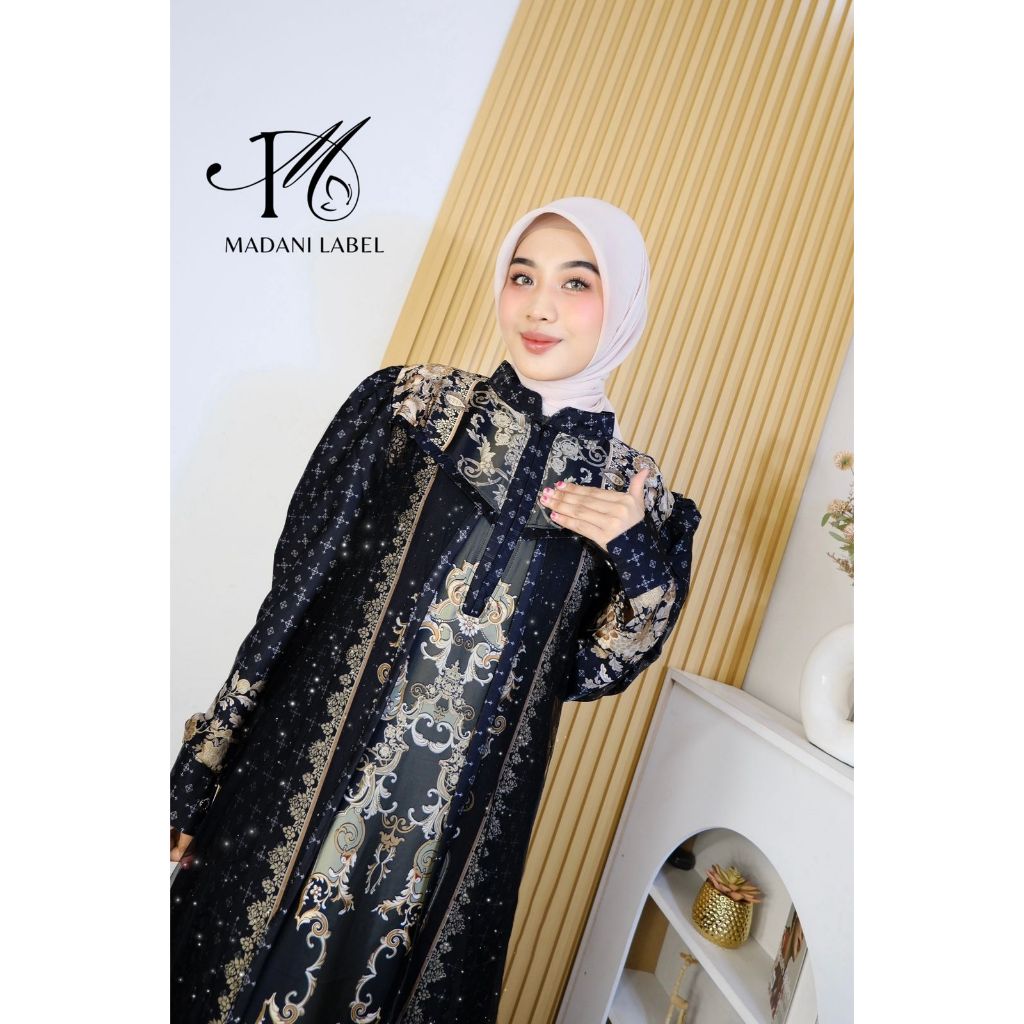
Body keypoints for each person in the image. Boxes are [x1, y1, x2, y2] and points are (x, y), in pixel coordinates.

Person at [170, 195, 702, 1024]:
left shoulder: (639, 499)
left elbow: (589, 672)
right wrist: (198, 776)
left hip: (446, 846)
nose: (539, 307)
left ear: (625, 303)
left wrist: (632, 550)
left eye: (576, 283)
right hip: (296, 790)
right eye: (522, 277)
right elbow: (292, 602)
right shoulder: (406, 410)